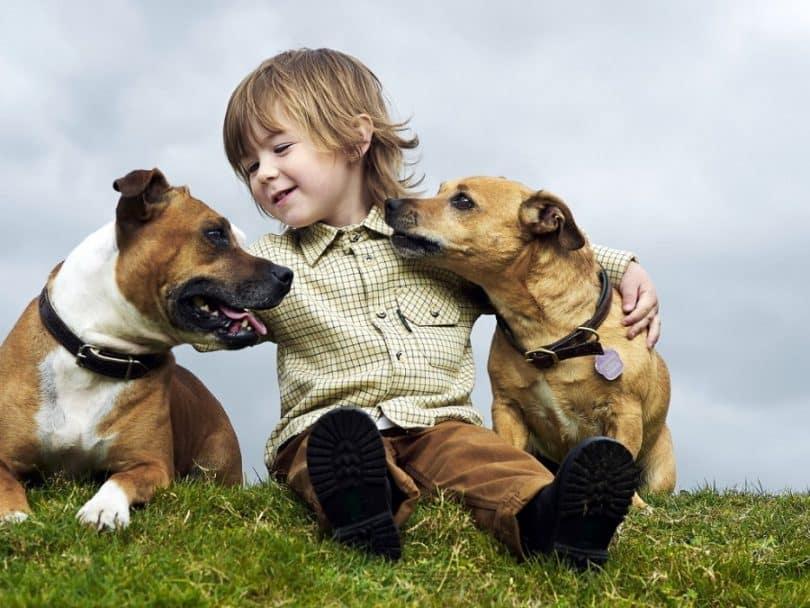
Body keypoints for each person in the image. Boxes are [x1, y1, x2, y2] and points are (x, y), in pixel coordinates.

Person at [217, 48, 661, 567]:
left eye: (281, 148)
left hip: (440, 425)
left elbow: (527, 258)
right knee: (327, 455)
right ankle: (362, 514)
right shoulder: (267, 264)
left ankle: (555, 519)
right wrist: (216, 316)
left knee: (493, 463)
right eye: (250, 166)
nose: (264, 174)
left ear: (356, 139)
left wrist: (623, 265)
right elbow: (204, 302)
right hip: (329, 426)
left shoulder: (440, 248)